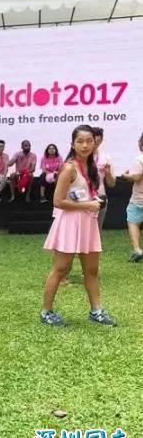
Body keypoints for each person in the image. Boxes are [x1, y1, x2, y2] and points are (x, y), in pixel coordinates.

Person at [41, 125, 116, 327]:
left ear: (95, 142)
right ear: (72, 144)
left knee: (91, 270)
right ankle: (46, 312)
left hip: (87, 223)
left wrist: (93, 202)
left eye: (89, 141)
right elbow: (57, 201)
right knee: (60, 269)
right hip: (70, 223)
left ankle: (96, 311)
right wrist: (88, 205)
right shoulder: (69, 168)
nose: (85, 145)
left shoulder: (91, 167)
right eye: (80, 141)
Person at [122, 132, 143, 262]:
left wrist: (125, 175)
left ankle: (137, 249)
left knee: (133, 222)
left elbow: (136, 177)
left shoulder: (139, 159)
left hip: (139, 199)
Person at [92, 127, 116, 231]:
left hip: (100, 196)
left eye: (97, 141)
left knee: (97, 230)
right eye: (91, 140)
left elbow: (111, 184)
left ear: (101, 141)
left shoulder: (106, 158)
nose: (94, 144)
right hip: (82, 197)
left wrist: (108, 173)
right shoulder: (80, 157)